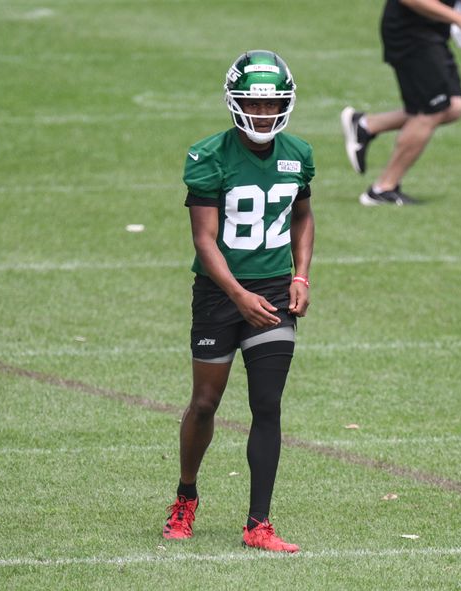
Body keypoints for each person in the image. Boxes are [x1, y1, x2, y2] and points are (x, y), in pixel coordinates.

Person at [162, 50, 315, 553]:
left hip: (272, 292)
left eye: (272, 105)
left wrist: (302, 275)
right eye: (254, 102)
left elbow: (303, 216)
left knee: (267, 405)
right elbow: (204, 242)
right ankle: (186, 495)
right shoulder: (208, 156)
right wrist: (238, 295)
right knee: (205, 403)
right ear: (235, 101)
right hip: (220, 293)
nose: (264, 114)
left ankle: (259, 524)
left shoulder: (298, 153)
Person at [341, 0, 461, 205]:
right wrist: (460, 18)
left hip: (432, 32)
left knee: (453, 107)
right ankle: (382, 189)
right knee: (432, 111)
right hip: (410, 35)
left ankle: (366, 125)